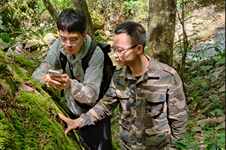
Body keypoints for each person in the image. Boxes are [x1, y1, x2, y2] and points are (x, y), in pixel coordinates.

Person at [58, 21, 188, 150]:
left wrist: (175, 148)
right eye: (114, 49)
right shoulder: (119, 76)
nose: (115, 55)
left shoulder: (167, 76)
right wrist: (77, 122)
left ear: (138, 49)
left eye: (120, 50)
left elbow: (179, 121)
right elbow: (104, 106)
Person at [31, 8, 113, 150]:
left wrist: (69, 84)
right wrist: (45, 79)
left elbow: (90, 94)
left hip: (94, 115)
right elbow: (36, 74)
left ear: (83, 35)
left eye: (74, 39)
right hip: (71, 111)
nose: (68, 44)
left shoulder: (95, 53)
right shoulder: (58, 46)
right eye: (63, 38)